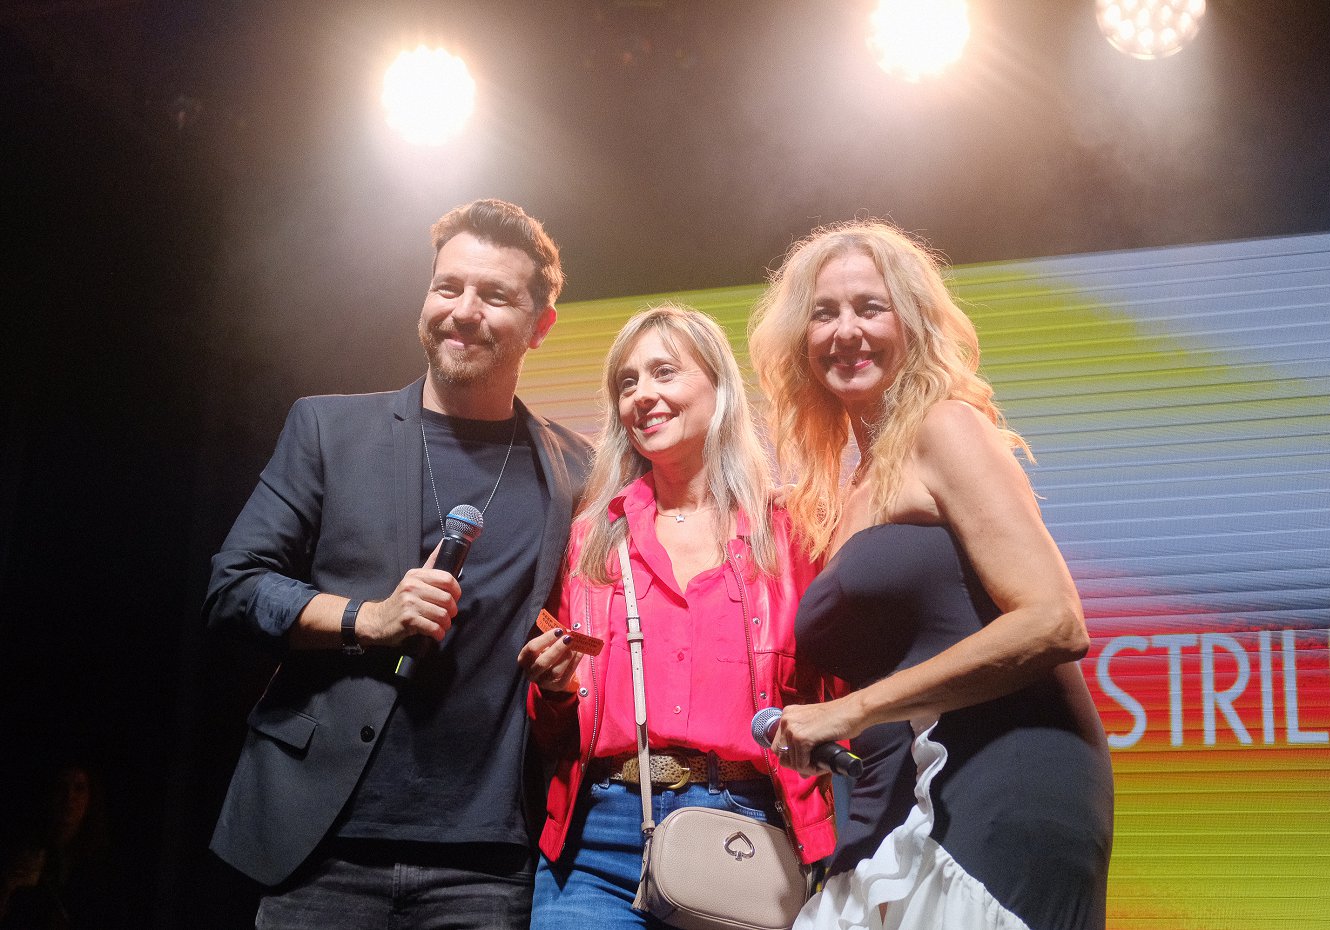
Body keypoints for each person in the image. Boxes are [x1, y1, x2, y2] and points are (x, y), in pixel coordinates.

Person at [205, 198, 593, 929]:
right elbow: (234, 587)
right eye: (448, 287)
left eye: (495, 295)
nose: (463, 311)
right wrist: (367, 618)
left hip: (488, 861)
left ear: (540, 326)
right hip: (324, 845)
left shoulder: (579, 470)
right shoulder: (329, 428)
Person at [748, 220, 1114, 930]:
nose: (845, 331)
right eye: (823, 314)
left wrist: (851, 711)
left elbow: (1054, 621)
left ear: (912, 323)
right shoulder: (853, 488)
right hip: (906, 795)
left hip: (1002, 774)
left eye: (869, 307)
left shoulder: (944, 427)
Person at [517, 305, 836, 928]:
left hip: (747, 834)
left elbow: (839, 700)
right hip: (599, 841)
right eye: (627, 382)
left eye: (664, 372)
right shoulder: (591, 538)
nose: (642, 395)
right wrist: (553, 691)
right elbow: (556, 735)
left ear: (719, 386)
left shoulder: (790, 531)